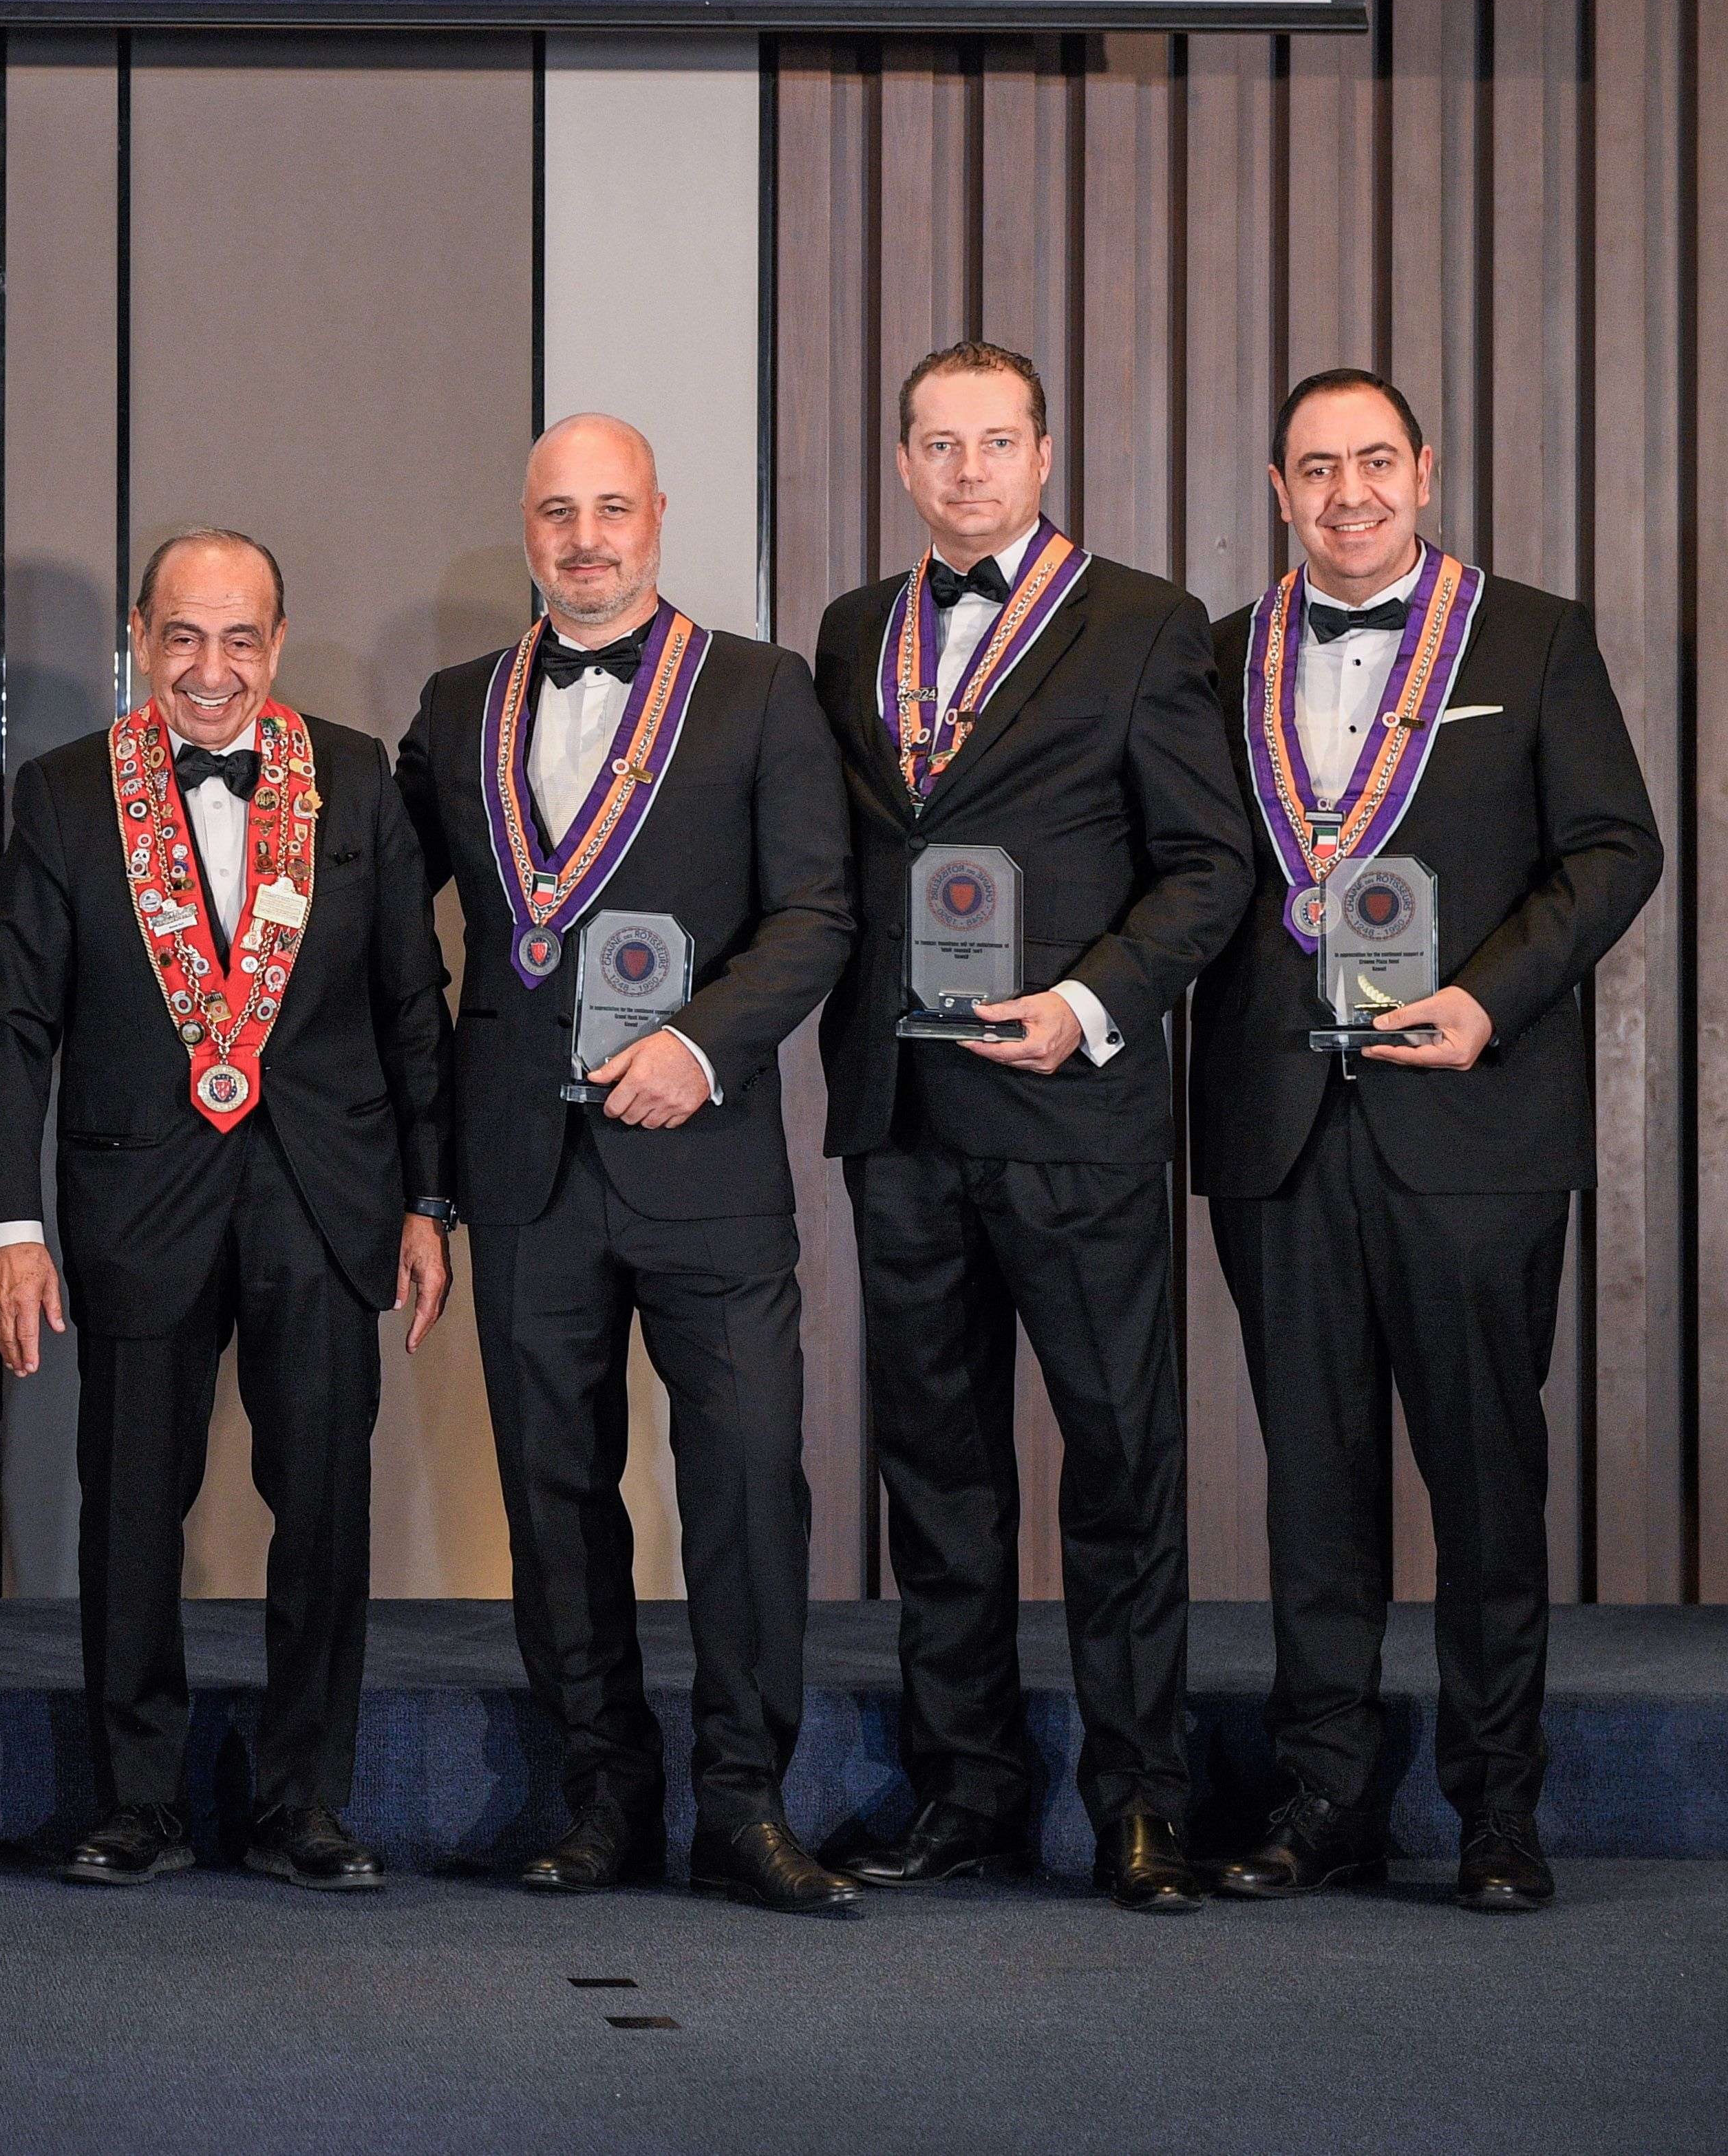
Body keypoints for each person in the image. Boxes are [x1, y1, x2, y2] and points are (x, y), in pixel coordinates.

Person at [1191, 370, 1659, 1916]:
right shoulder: (1214, 659)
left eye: (1373, 461)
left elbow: (1614, 848)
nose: (1348, 493)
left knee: (1483, 1485)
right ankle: (1322, 1797)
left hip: (1473, 1121)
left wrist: (1486, 997)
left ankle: (1495, 1811)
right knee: (1311, 1491)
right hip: (1277, 1125)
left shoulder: (1528, 637)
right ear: (1277, 489)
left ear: (1424, 469)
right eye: (1316, 468)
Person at [809, 341, 1251, 1914]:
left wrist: (1086, 1001)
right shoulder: (851, 628)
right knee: (935, 1475)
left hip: (1072, 1106)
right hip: (902, 1111)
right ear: (902, 463)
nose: (967, 470)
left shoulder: (1140, 620)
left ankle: (1137, 1803)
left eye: (994, 440)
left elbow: (1207, 863)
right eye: (938, 443)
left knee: (1119, 1462)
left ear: (1043, 453)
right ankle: (965, 1791)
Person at [395, 416, 858, 1912]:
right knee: (551, 1497)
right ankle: (601, 1795)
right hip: (521, 1165)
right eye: (556, 511)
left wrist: (700, 1045)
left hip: (703, 1153)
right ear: (524, 525)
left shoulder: (759, 688)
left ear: (656, 514)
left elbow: (816, 913)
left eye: (610, 507)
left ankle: (745, 1803)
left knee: (744, 1486)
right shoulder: (455, 706)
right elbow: (381, 920)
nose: (584, 537)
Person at [0, 529, 450, 1892]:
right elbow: (13, 1024)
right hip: (135, 1194)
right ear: (139, 636)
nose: (210, 667)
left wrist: (428, 1197)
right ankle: (136, 1801)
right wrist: (6, 1224)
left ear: (277, 642)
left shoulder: (354, 774)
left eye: (239, 638)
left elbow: (412, 1001)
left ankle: (303, 1803)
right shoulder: (65, 790)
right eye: (181, 636)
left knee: (325, 1507)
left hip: (325, 1193)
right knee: (127, 1512)